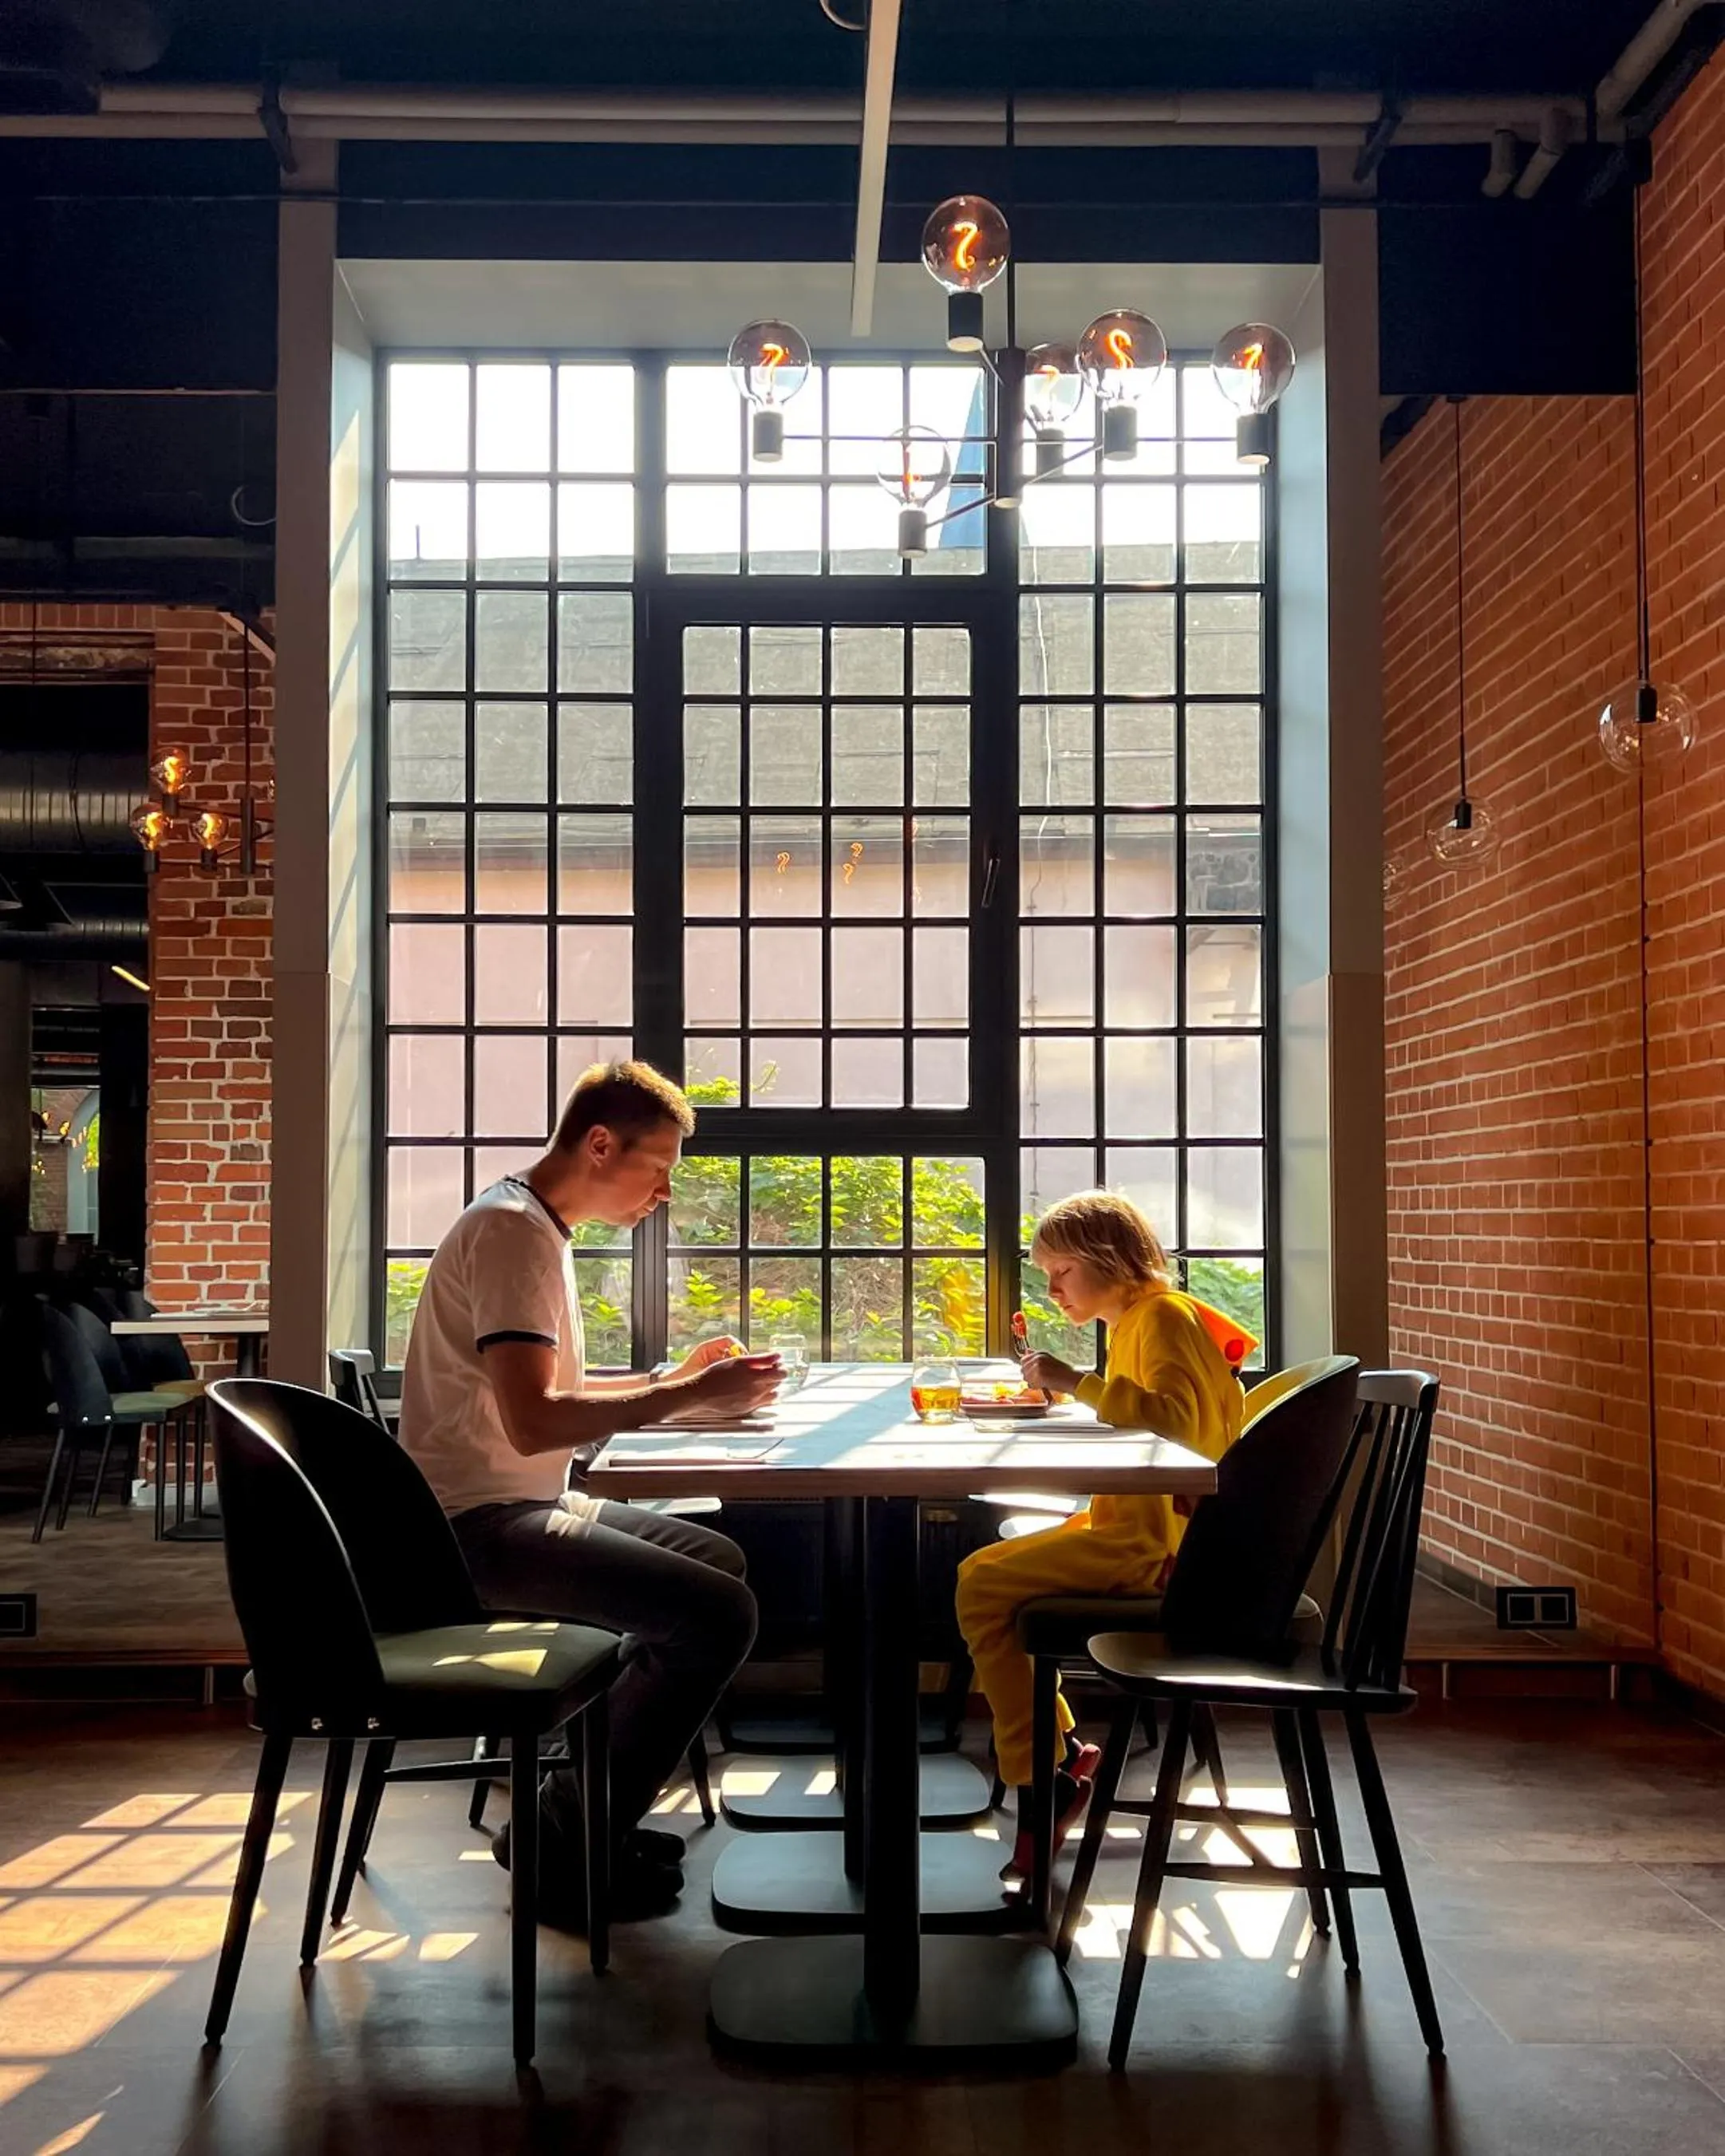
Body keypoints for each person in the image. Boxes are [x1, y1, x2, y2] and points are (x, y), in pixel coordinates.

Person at [397, 1058, 780, 1925]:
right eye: (657, 1168)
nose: (663, 1194)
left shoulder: (532, 1223)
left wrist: (667, 1377)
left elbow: (541, 1390)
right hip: (478, 1526)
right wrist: (688, 1397)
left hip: (513, 1504)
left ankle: (573, 1819)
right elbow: (535, 1422)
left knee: (713, 1559)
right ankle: (564, 1844)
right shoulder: (512, 1232)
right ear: (600, 1144)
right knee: (716, 1615)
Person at [953, 1190, 1254, 1889]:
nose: (1052, 1288)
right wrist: (1081, 1391)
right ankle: (1052, 1757)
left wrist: (1079, 1384)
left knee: (980, 1582)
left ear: (1106, 1260)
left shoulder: (1161, 1320)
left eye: (1060, 1272)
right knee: (982, 1573)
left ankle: (1045, 1774)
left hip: (1155, 1546)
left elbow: (1182, 1430)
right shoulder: (1143, 1323)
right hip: (1142, 1528)